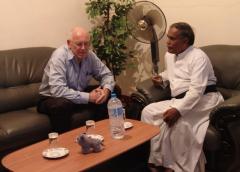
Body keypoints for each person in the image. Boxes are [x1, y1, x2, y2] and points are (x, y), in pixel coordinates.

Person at [141, 22, 224, 172]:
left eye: (172, 39)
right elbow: (173, 73)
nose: (167, 42)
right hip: (180, 98)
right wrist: (162, 78)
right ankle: (156, 158)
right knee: (148, 111)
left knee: (177, 122)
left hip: (204, 99)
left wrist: (178, 110)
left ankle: (177, 167)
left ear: (185, 41)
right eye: (168, 38)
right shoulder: (169, 55)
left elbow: (197, 90)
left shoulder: (198, 57)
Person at [37, 26, 115, 133]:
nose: (83, 48)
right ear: (69, 43)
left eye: (86, 43)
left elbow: (107, 75)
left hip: (76, 94)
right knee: (62, 105)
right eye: (79, 44)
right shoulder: (59, 56)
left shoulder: (89, 55)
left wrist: (105, 91)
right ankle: (65, 145)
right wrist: (89, 97)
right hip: (51, 98)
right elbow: (57, 90)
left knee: (112, 91)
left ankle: (101, 134)